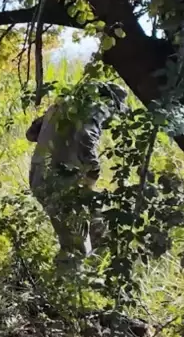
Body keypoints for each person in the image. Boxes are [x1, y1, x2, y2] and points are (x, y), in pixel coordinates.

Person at [25, 81, 128, 271]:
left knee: (99, 221)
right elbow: (86, 139)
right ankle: (66, 293)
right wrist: (92, 174)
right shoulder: (99, 106)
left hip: (40, 176)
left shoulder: (64, 105)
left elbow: (31, 134)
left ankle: (104, 275)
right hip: (59, 181)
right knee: (75, 247)